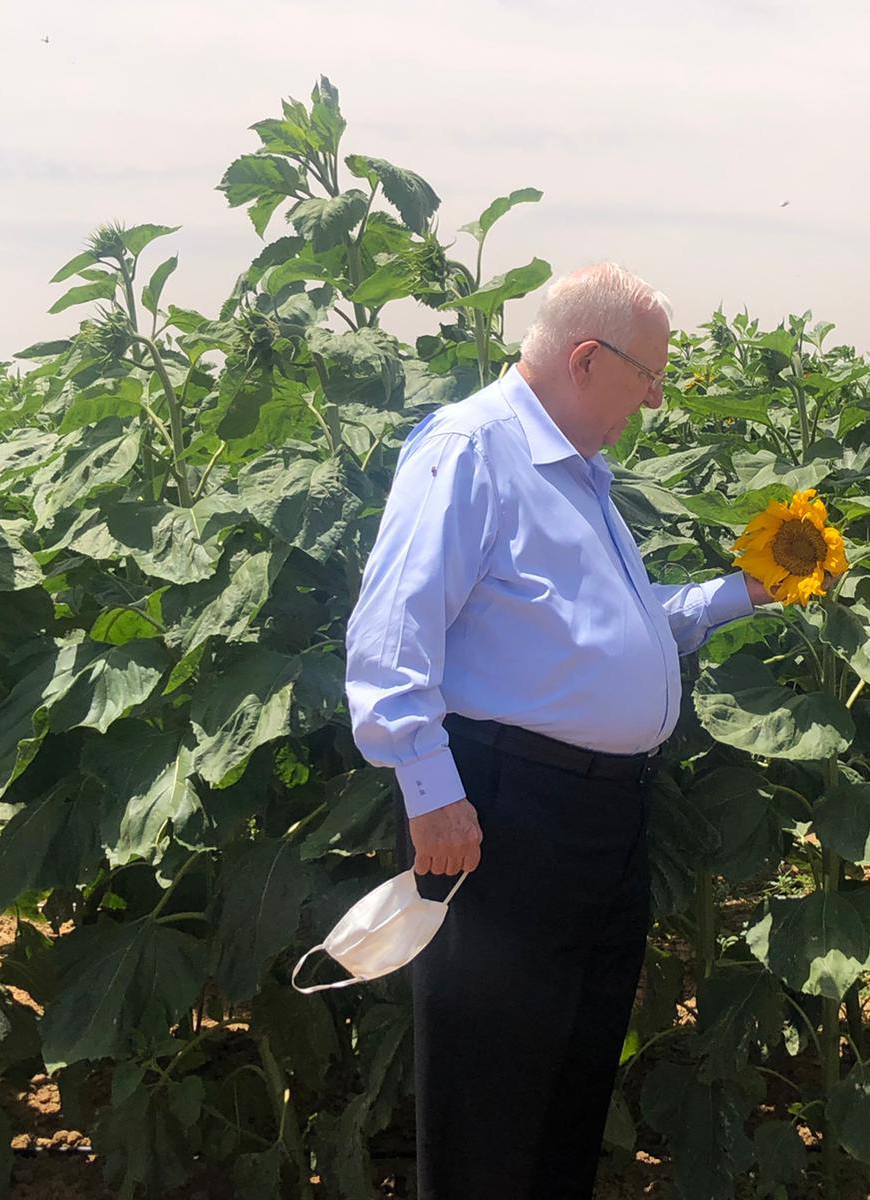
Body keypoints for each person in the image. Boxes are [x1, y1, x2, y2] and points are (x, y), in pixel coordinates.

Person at [344, 263, 769, 1199]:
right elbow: (390, 635)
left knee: (571, 1079)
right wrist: (431, 791)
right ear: (585, 358)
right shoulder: (474, 451)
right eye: (647, 377)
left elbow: (617, 623)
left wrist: (743, 592)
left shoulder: (578, 475)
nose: (654, 400)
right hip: (503, 811)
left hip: (604, 819)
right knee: (490, 1089)